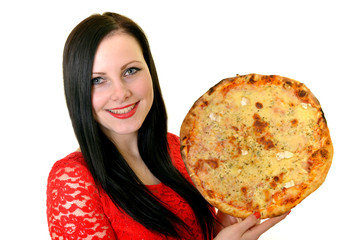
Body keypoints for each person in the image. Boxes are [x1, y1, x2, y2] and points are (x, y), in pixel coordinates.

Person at [46, 12, 288, 240]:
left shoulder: (177, 148)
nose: (121, 93)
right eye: (98, 80)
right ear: (77, 90)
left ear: (150, 71)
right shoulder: (72, 181)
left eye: (131, 71)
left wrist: (217, 230)